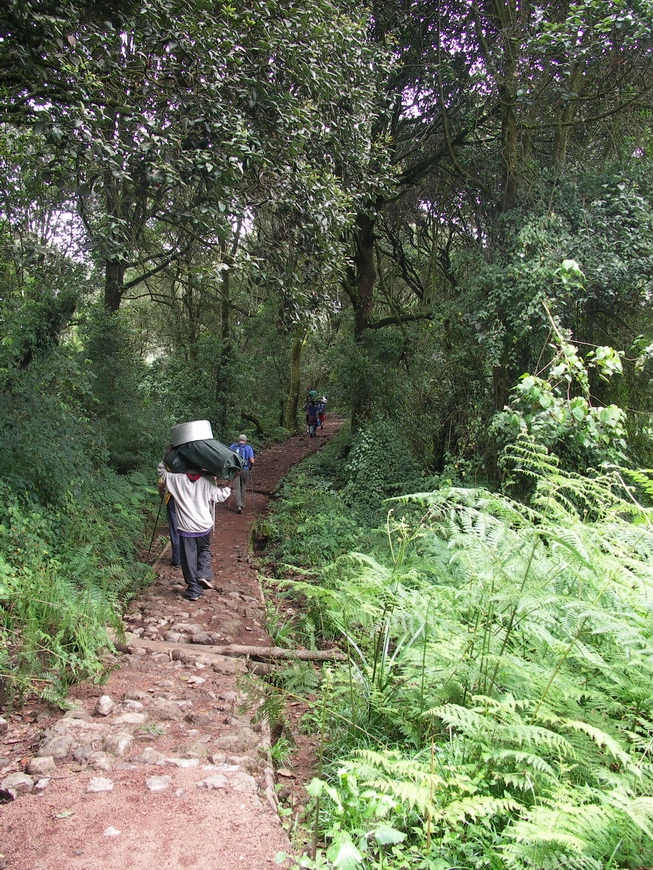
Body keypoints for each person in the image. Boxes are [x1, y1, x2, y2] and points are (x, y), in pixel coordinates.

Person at [159, 466, 230, 601]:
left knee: (188, 557)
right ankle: (203, 574)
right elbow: (219, 496)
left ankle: (193, 589)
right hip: (203, 525)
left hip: (186, 527)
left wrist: (166, 458)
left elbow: (162, 473)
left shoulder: (177, 479)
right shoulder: (207, 480)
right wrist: (228, 488)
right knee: (204, 549)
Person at [157, 446, 181, 567]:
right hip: (186, 499)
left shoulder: (166, 465)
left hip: (172, 499)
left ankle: (177, 560)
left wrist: (161, 494)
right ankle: (190, 557)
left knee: (175, 529)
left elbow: (161, 485)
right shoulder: (184, 462)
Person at [229, 434, 255, 514]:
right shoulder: (248, 448)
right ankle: (242, 503)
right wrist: (250, 467)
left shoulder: (233, 446)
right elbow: (252, 460)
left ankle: (238, 505)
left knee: (237, 487)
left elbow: (228, 457)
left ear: (238, 439)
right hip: (245, 469)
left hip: (236, 469)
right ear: (245, 440)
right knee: (243, 485)